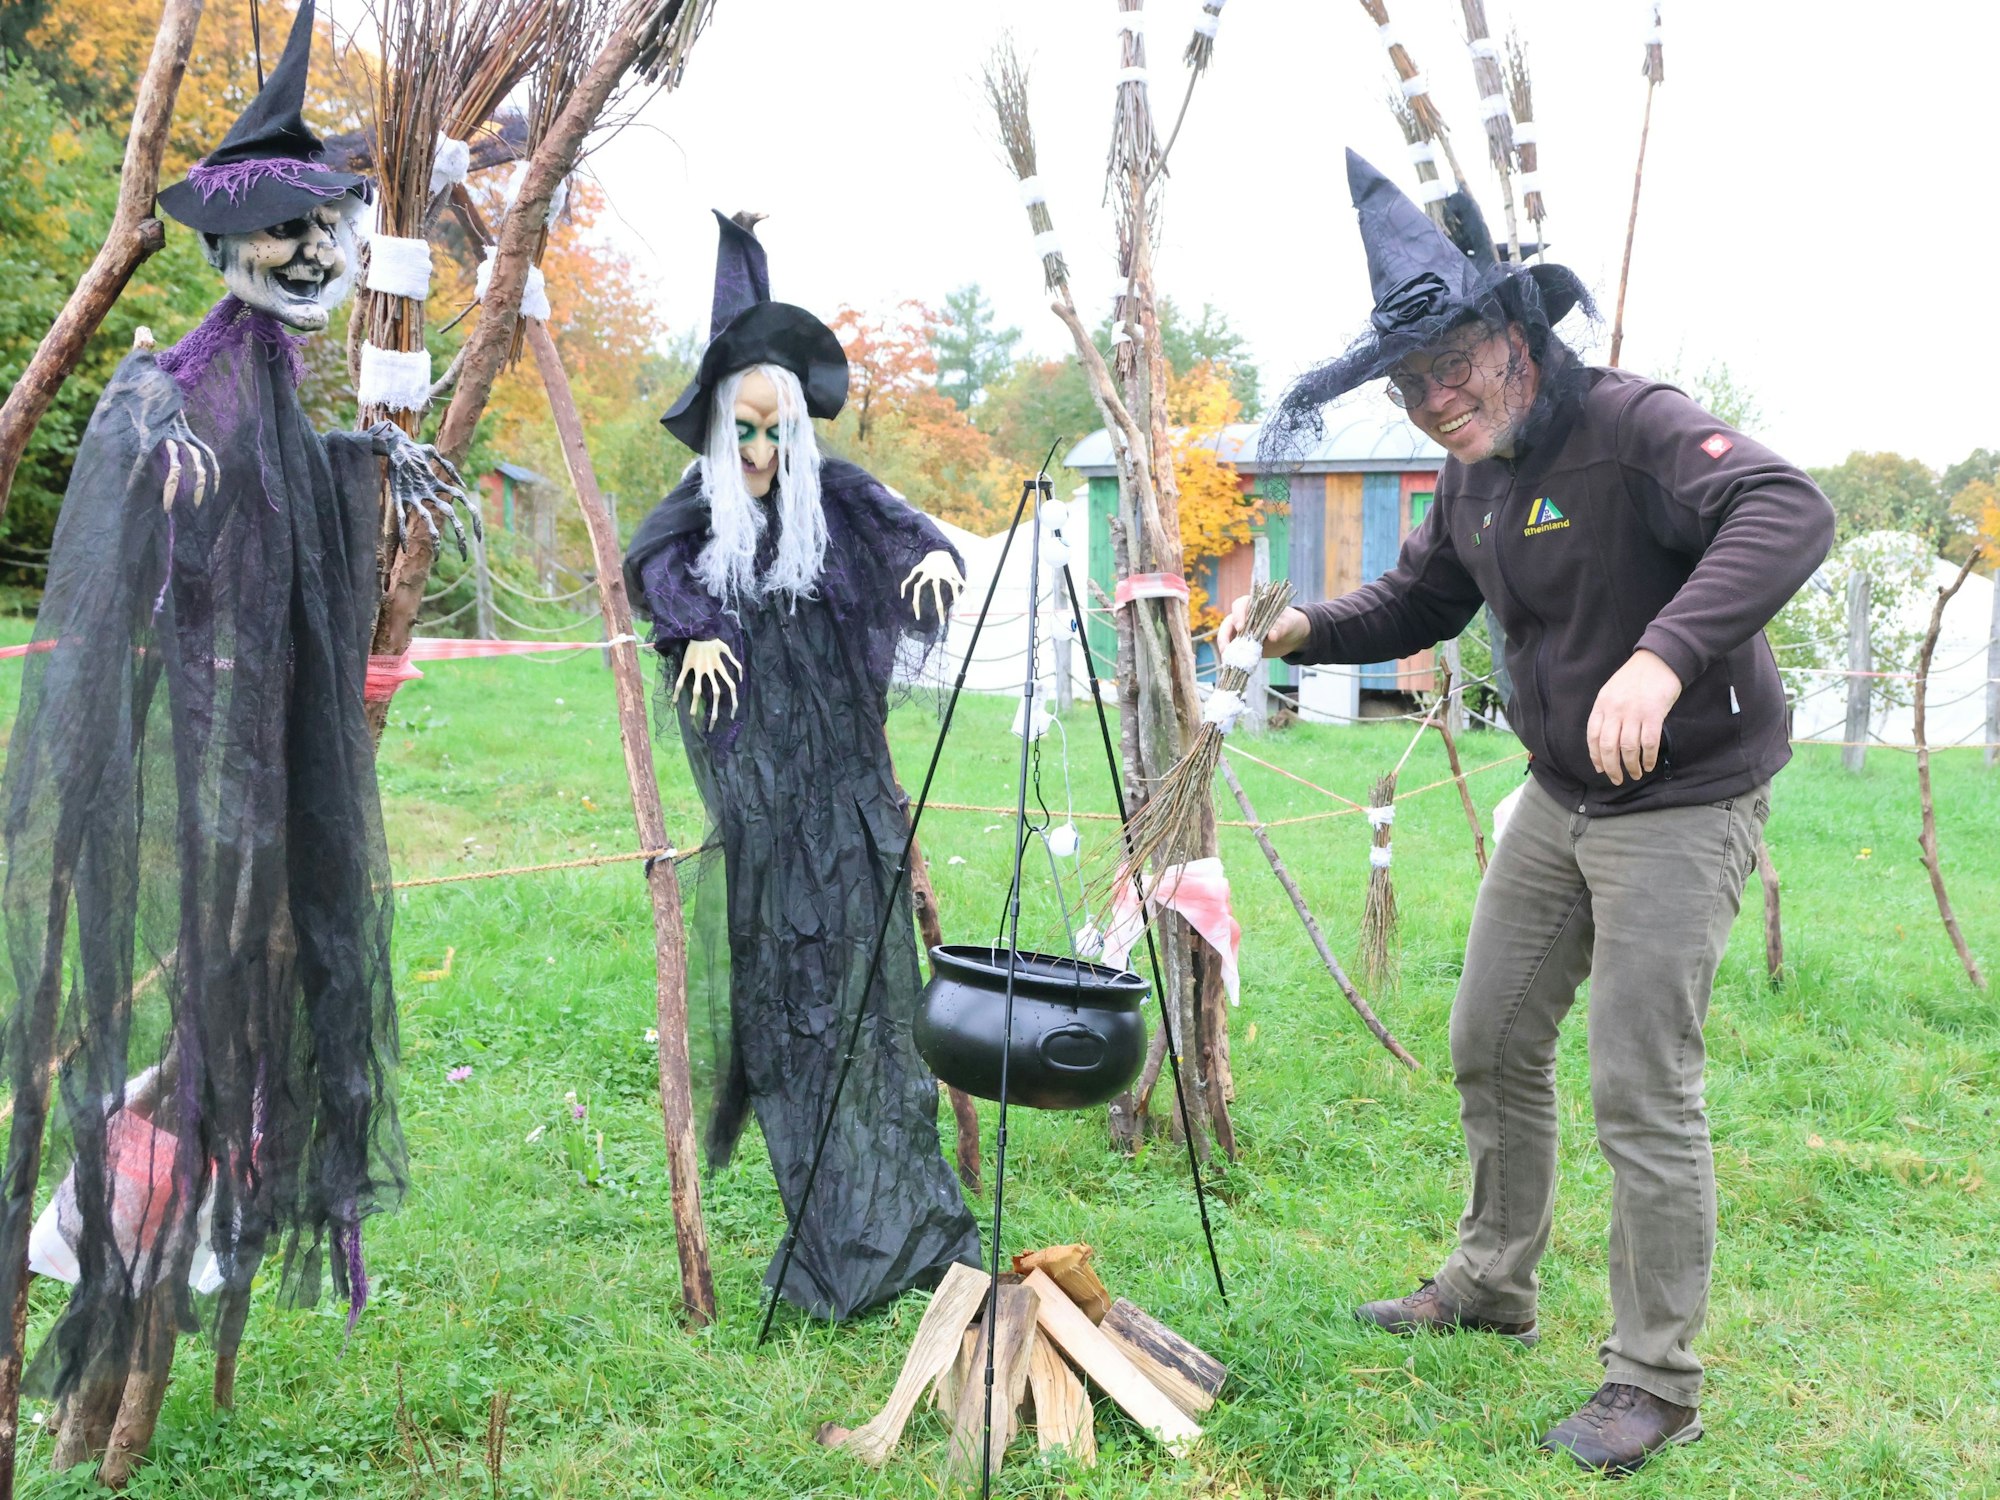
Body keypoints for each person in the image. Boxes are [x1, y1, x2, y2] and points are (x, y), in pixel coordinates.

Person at [1220, 152, 1834, 1476]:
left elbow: (1786, 508)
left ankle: (1654, 1380)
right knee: (1490, 1034)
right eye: (1408, 384)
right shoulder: (1474, 471)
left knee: (1638, 1082)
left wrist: (1663, 659)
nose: (1433, 401)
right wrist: (1302, 627)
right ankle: (1491, 1280)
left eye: (1452, 367)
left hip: (1683, 796)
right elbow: (1422, 599)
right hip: (1560, 796)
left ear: (1515, 334)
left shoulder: (1630, 424)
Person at [0, 0, 467, 1455]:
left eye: (325, 226)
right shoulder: (182, 382)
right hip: (210, 775)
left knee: (252, 1012)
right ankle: (119, 1244)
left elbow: (277, 476)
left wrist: (362, 453)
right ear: (225, 245)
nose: (315, 252)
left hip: (269, 771)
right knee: (202, 1011)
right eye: (286, 233)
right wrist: (158, 455)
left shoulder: (263, 370)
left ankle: (182, 1209)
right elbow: (156, 504)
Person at [622, 212, 981, 1320]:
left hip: (848, 787)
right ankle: (829, 1218)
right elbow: (653, 567)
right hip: (768, 805)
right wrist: (694, 630)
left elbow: (911, 532)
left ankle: (910, 1211)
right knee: (792, 996)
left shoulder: (834, 496)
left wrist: (929, 562)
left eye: (777, 433)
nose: (761, 455)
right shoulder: (697, 513)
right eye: (743, 434)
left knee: (876, 991)